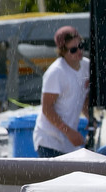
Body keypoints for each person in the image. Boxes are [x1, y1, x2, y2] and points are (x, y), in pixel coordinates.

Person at [33, 25, 89, 157]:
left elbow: (84, 96)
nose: (79, 51)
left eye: (81, 46)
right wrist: (69, 132)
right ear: (62, 51)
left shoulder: (86, 66)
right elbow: (47, 109)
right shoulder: (56, 73)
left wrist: (89, 117)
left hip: (68, 143)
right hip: (49, 141)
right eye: (73, 50)